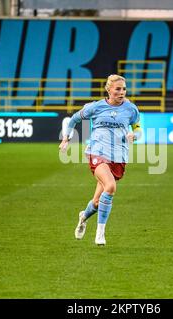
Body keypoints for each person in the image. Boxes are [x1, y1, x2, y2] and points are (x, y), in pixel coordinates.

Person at [59, 74, 142, 246]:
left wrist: (135, 134)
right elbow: (74, 119)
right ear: (109, 89)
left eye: (124, 89)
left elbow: (138, 127)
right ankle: (100, 234)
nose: (121, 92)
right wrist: (66, 138)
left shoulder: (131, 109)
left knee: (97, 202)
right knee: (110, 187)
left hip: (119, 157)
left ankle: (83, 217)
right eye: (118, 89)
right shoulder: (95, 107)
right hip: (97, 153)